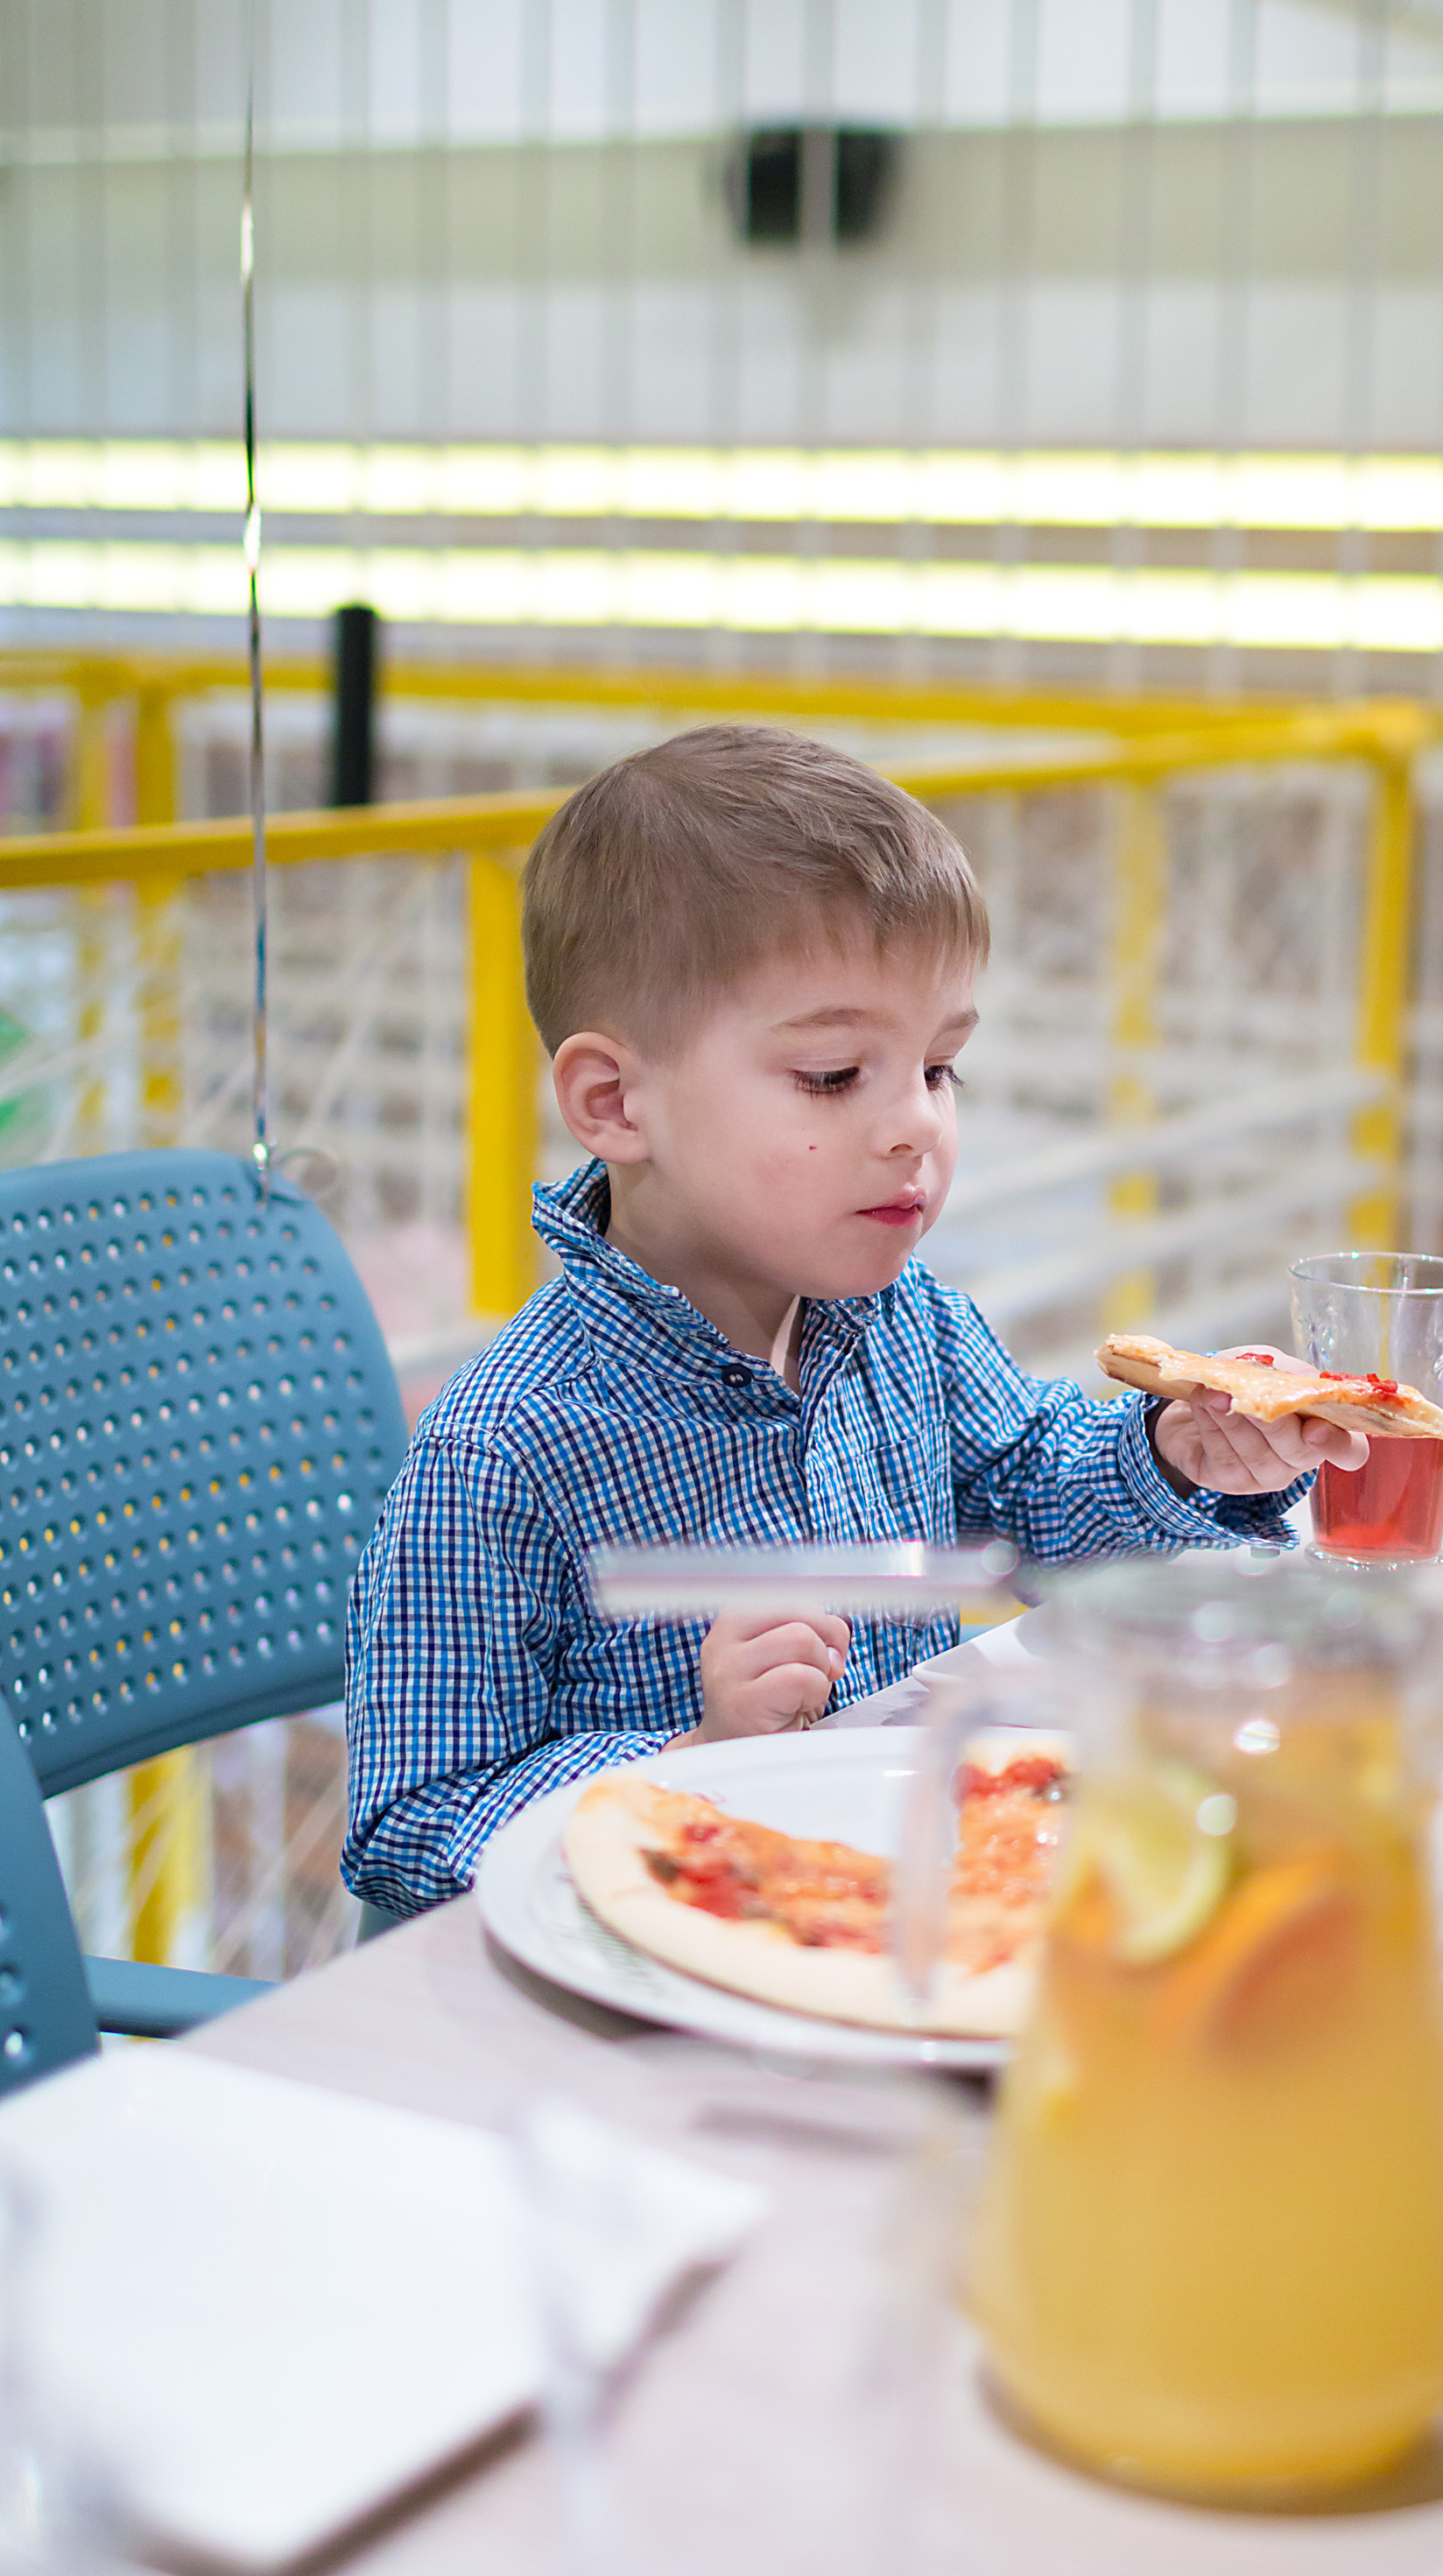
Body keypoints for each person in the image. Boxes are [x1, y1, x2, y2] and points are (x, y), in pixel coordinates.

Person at [342, 726, 1368, 1912]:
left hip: (891, 1916)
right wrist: (689, 1761)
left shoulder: (905, 1323)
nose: (915, 1128)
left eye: (938, 1069)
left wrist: (1176, 1458)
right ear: (615, 1101)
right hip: (636, 2022)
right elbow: (411, 1826)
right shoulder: (506, 1447)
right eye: (835, 1075)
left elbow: (1041, 1501)